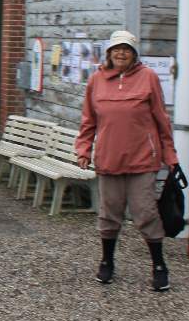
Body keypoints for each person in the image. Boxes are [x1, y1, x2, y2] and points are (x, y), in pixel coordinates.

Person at [74, 30, 179, 292]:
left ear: (134, 54)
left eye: (127, 49)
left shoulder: (148, 78)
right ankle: (107, 260)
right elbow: (88, 120)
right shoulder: (96, 80)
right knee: (109, 213)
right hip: (109, 159)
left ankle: (159, 266)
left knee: (145, 212)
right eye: (116, 49)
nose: (121, 53)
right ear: (109, 52)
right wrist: (84, 149)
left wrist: (170, 155)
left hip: (143, 158)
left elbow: (161, 119)